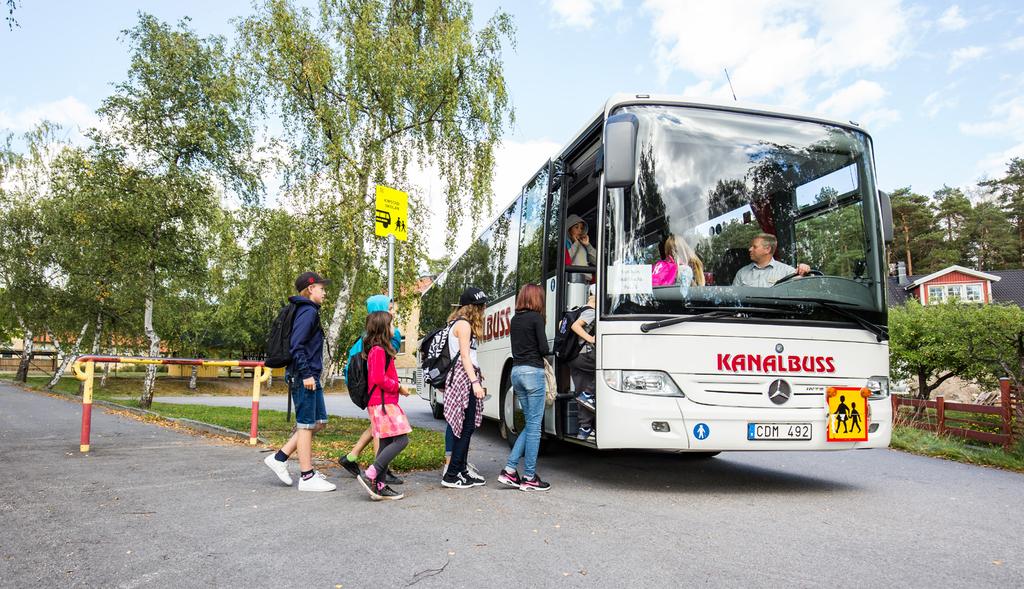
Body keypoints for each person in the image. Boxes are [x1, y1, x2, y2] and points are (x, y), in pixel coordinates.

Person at [263, 272, 337, 492]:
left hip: (310, 374)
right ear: (311, 288)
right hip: (304, 375)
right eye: (322, 288)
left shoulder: (308, 310)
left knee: (318, 422)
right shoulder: (307, 311)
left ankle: (279, 458)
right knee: (306, 424)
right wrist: (306, 374)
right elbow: (297, 345)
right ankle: (306, 476)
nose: (325, 293)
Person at [339, 294, 403, 485]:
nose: (393, 311)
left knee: (377, 425)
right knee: (381, 430)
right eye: (390, 309)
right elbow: (381, 367)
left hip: (363, 384)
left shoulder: (366, 335)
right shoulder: (386, 337)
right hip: (374, 389)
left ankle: (351, 457)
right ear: (381, 314)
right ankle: (380, 469)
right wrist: (396, 386)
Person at [498, 284, 552, 492]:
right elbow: (543, 349)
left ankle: (510, 470)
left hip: (517, 373)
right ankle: (529, 476)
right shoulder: (536, 319)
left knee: (530, 425)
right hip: (532, 373)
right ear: (536, 299)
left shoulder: (515, 320)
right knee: (535, 428)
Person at [356, 310, 413, 501]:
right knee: (401, 440)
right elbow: (378, 378)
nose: (394, 328)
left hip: (382, 402)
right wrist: (399, 387)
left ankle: (379, 486)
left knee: (387, 442)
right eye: (391, 325)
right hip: (383, 403)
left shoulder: (378, 349)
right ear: (382, 328)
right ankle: (371, 473)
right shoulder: (378, 351)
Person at [441, 286, 489, 489]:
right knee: (464, 428)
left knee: (465, 428)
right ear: (473, 308)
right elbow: (464, 356)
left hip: (463, 376)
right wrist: (475, 382)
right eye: (481, 306)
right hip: (463, 380)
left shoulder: (457, 323)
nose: (484, 310)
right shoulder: (464, 325)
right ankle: (451, 475)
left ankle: (460, 470)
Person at [570, 284, 598, 441]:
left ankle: (584, 429)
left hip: (573, 357)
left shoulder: (577, 309)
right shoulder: (591, 312)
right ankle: (589, 393)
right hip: (584, 355)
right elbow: (575, 326)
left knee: (581, 393)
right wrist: (590, 338)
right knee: (609, 370)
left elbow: (563, 324)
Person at [732, 233, 811, 287]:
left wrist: (804, 270)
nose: (749, 249)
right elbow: (733, 300)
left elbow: (805, 287)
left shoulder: (787, 272)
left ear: (767, 249)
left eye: (754, 247)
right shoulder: (742, 273)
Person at [565, 214, 597, 281]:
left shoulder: (583, 245)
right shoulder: (565, 243)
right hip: (574, 281)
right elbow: (567, 260)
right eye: (576, 227)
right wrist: (576, 244)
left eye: (581, 228)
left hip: (587, 281)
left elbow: (597, 261)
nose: (579, 230)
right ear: (569, 230)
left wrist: (588, 245)